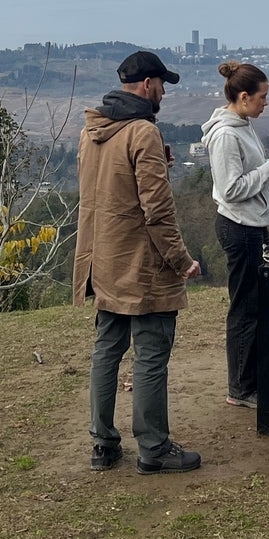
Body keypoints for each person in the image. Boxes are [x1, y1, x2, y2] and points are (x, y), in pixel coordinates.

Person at [74, 49, 202, 475]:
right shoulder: (141, 132)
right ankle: (153, 447)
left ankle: (103, 444)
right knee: (151, 353)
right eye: (162, 85)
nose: (163, 92)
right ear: (147, 85)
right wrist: (181, 260)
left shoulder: (93, 130)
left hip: (103, 259)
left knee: (106, 350)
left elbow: (106, 194)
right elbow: (157, 211)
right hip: (142, 264)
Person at [203, 60, 269, 408]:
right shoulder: (226, 134)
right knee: (246, 309)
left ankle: (266, 378)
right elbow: (230, 189)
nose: (266, 102)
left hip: (253, 225)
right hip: (239, 228)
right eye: (263, 96)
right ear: (244, 97)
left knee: (264, 303)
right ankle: (241, 388)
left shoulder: (241, 124)